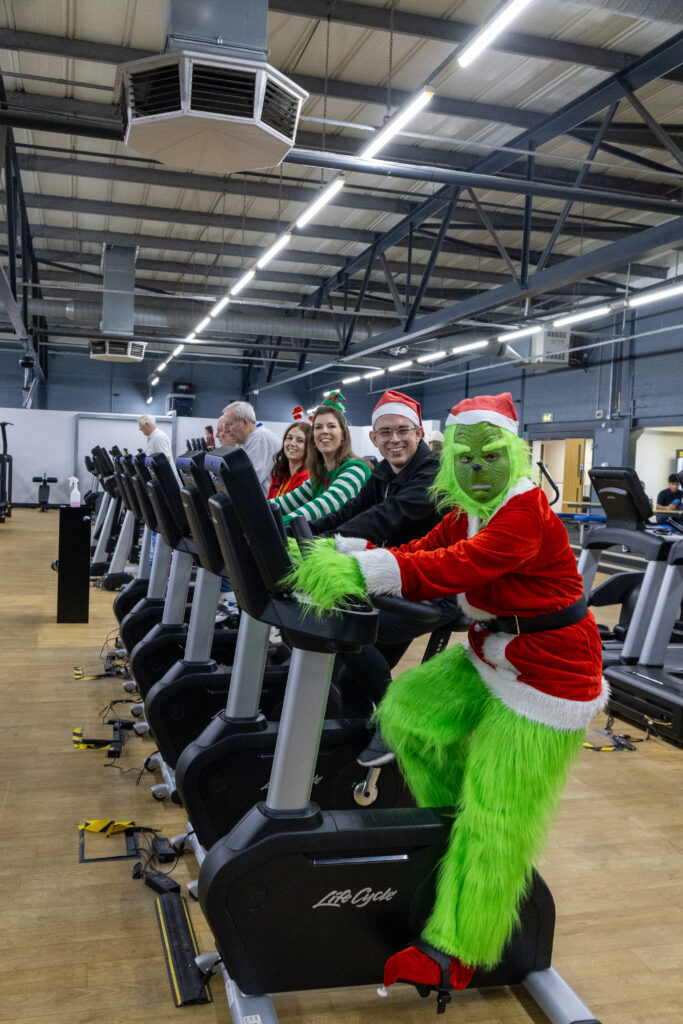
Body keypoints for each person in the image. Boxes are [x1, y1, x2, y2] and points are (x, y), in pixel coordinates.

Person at [290, 392, 605, 1001]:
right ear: (451, 456)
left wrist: (366, 573)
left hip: (552, 675)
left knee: (498, 813)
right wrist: (345, 552)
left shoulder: (524, 510)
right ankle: (452, 831)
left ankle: (457, 949)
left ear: (513, 454)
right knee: (406, 713)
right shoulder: (468, 509)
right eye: (465, 456)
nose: (477, 467)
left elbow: (462, 565)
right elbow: (429, 547)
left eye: (490, 455)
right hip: (492, 652)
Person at [307, 390, 468, 710]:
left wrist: (323, 543)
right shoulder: (383, 472)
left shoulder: (433, 472)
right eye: (385, 432)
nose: (395, 439)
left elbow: (385, 517)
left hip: (436, 588)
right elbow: (350, 512)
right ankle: (364, 737)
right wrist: (299, 534)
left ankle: (398, 721)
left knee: (340, 628)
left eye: (403, 430)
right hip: (398, 580)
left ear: (419, 433)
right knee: (350, 679)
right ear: (374, 438)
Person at [271, 391, 371, 524]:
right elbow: (287, 502)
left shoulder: (356, 469)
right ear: (313, 437)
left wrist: (275, 523)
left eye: (331, 426)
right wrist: (253, 508)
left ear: (343, 435)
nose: (324, 431)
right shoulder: (320, 472)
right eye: (318, 427)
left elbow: (320, 508)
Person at [223, 401, 280, 495]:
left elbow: (248, 480)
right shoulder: (245, 441)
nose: (226, 430)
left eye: (230, 424)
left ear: (244, 422)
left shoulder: (260, 438)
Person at [267, 417, 312, 499]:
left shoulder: (307, 479)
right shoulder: (280, 474)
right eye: (289, 438)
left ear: (309, 447)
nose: (292, 443)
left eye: (300, 441)